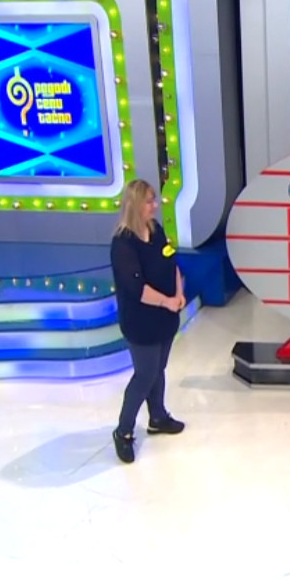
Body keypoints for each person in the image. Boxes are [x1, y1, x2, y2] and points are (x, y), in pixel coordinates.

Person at [109, 179, 187, 462]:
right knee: (145, 375)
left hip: (165, 317)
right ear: (135, 205)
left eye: (155, 200)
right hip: (140, 321)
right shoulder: (123, 244)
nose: (155, 206)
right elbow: (137, 288)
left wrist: (178, 293)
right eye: (149, 201)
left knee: (158, 369)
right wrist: (167, 301)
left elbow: (171, 263)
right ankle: (123, 431)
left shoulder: (156, 230)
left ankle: (158, 416)